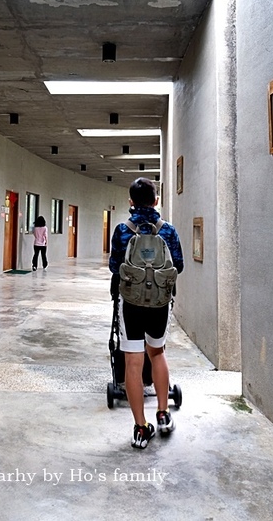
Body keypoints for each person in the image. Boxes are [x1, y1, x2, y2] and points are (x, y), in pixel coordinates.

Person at [109, 177, 183, 449]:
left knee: (133, 362)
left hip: (130, 305)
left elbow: (114, 266)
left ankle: (141, 428)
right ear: (156, 201)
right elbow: (180, 267)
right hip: (159, 306)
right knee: (158, 353)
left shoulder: (122, 229)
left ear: (130, 202)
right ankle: (163, 413)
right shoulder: (169, 231)